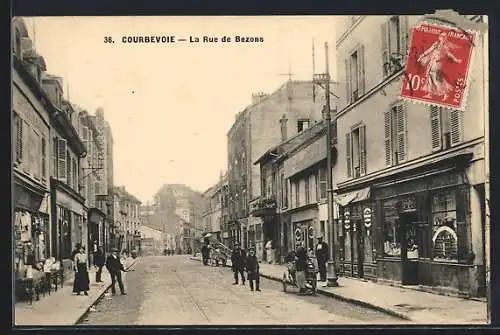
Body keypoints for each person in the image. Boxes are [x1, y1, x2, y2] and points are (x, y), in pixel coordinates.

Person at [417, 31, 463, 101]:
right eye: (441, 36)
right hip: (432, 62)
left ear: (446, 38)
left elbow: (449, 54)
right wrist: (421, 56)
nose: (442, 38)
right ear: (439, 37)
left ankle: (445, 94)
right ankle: (430, 94)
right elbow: (429, 50)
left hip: (438, 63)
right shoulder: (436, 44)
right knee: (430, 77)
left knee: (436, 78)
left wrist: (456, 60)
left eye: (444, 37)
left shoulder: (445, 46)